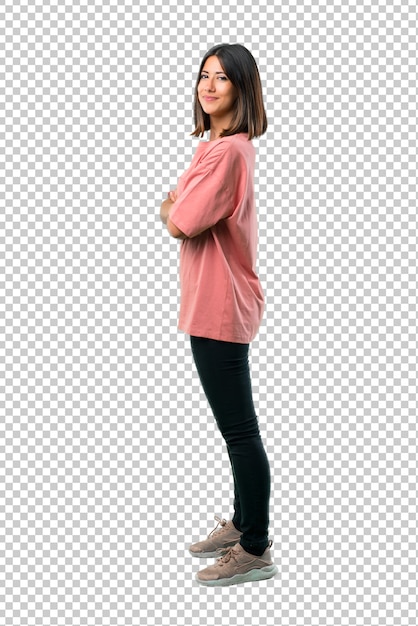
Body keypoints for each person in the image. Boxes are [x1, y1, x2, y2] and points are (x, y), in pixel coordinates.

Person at [160, 43, 277, 587]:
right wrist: (177, 206)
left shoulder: (229, 153)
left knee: (239, 431)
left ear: (241, 88)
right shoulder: (215, 146)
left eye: (222, 79)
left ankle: (255, 546)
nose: (208, 87)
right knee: (235, 430)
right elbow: (185, 212)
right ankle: (240, 522)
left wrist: (169, 206)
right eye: (203, 76)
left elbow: (181, 220)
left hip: (219, 308)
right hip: (211, 304)